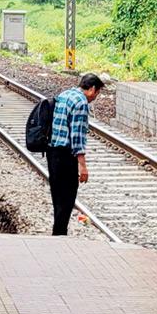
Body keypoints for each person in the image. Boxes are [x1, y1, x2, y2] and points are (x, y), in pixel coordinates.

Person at [47, 73, 105, 236]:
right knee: (67, 198)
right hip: (66, 155)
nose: (95, 97)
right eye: (97, 93)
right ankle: (59, 235)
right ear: (92, 89)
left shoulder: (65, 94)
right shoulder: (81, 102)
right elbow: (77, 135)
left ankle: (58, 233)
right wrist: (82, 165)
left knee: (57, 196)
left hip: (52, 152)